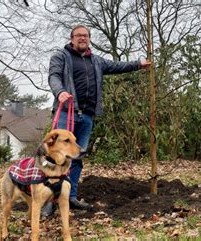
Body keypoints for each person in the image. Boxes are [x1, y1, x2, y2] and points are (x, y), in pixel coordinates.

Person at [42, 25, 150, 216]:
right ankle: (49, 200)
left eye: (86, 35)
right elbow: (54, 76)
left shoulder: (96, 61)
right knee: (57, 157)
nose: (82, 38)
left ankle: (70, 197)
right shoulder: (61, 56)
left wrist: (138, 64)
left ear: (89, 38)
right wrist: (60, 92)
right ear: (72, 38)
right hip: (67, 112)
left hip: (87, 115)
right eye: (79, 35)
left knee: (77, 157)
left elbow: (117, 66)